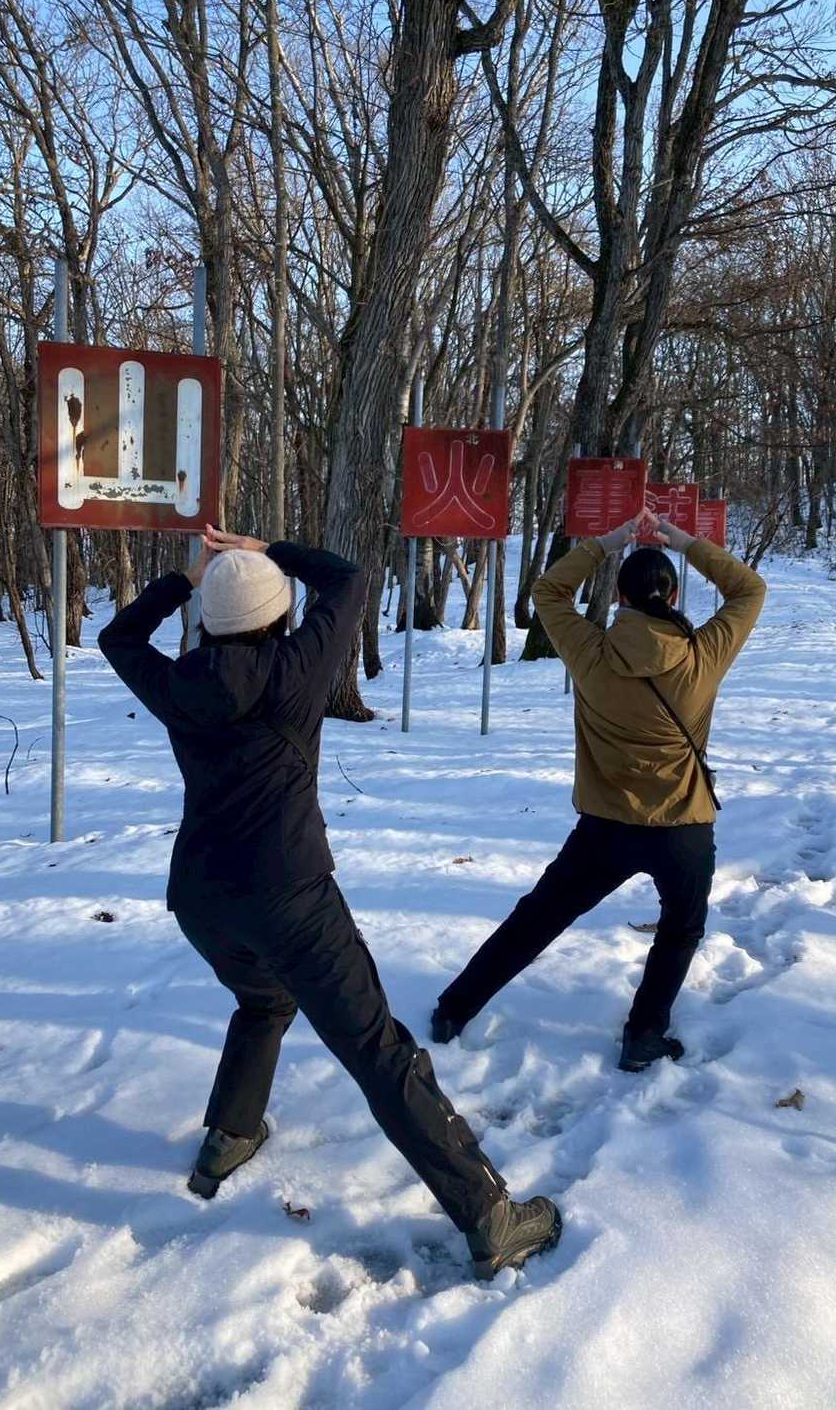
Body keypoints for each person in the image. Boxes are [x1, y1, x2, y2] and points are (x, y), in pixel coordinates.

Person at [98, 527, 560, 1279]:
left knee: (263, 999)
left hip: (202, 899)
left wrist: (188, 578)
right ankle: (489, 1214)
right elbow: (345, 579)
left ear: (209, 622)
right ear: (278, 616)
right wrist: (270, 549)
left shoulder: (179, 682)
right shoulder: (295, 668)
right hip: (290, 896)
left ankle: (229, 1136)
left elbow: (117, 636)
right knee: (377, 1050)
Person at [431, 507, 766, 1072]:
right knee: (681, 930)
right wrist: (682, 539)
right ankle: (643, 1036)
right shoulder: (701, 656)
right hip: (683, 826)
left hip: (604, 828)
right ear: (674, 594)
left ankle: (454, 1009)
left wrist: (609, 541)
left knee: (538, 918)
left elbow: (548, 590)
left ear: (619, 598)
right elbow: (749, 589)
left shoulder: (590, 652)